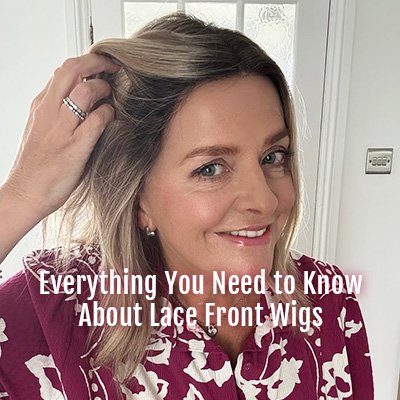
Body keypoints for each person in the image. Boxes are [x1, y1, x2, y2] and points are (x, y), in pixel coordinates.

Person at [0, 11, 373, 400]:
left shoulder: (328, 301)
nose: (265, 200)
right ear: (139, 198)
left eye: (273, 157)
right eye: (211, 168)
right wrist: (21, 197)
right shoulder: (57, 311)